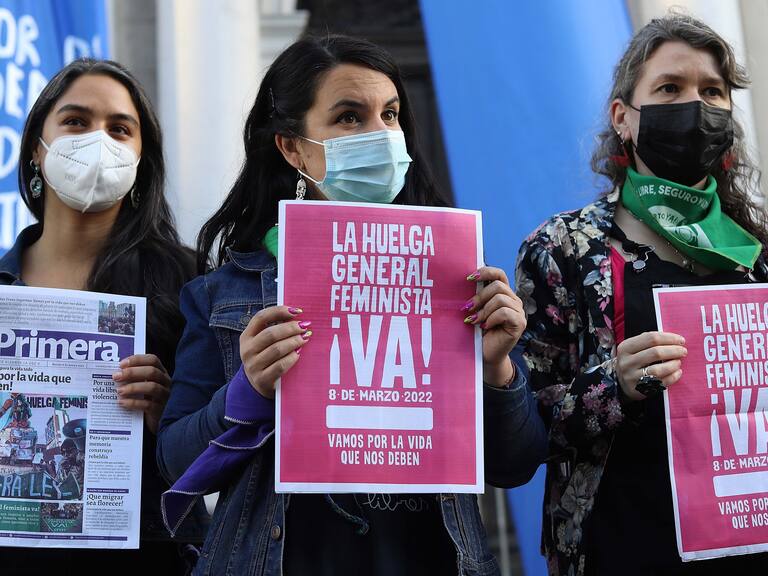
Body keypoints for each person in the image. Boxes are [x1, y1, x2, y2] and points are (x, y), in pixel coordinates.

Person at [157, 34, 546, 576]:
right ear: (293, 149)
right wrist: (248, 392)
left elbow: (517, 463)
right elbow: (177, 465)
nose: (381, 135)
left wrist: (497, 367)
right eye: (348, 117)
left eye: (390, 115)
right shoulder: (224, 293)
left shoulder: (456, 276)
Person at [516, 13, 768, 576]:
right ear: (622, 119)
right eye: (669, 88)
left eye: (713, 92)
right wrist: (615, 383)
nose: (695, 106)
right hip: (623, 545)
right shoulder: (563, 248)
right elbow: (519, 429)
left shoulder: (758, 251)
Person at [0, 59, 206, 574]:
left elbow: (232, 450)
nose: (98, 140)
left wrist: (170, 413)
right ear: (35, 150)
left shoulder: (192, 285)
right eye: (75, 121)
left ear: (141, 156)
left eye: (119, 128)